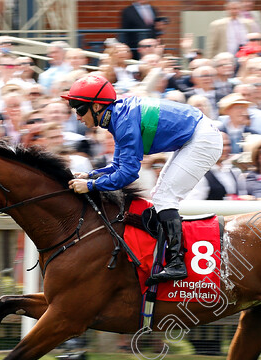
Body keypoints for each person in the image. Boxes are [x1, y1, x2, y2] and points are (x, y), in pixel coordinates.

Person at [62, 74, 222, 286]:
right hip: (196, 136)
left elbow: (127, 175)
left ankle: (176, 263)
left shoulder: (124, 121)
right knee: (159, 196)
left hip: (202, 139)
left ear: (98, 107)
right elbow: (119, 166)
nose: (77, 117)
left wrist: (91, 185)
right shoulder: (118, 116)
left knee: (166, 197)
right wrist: (91, 175)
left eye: (80, 109)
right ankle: (167, 255)